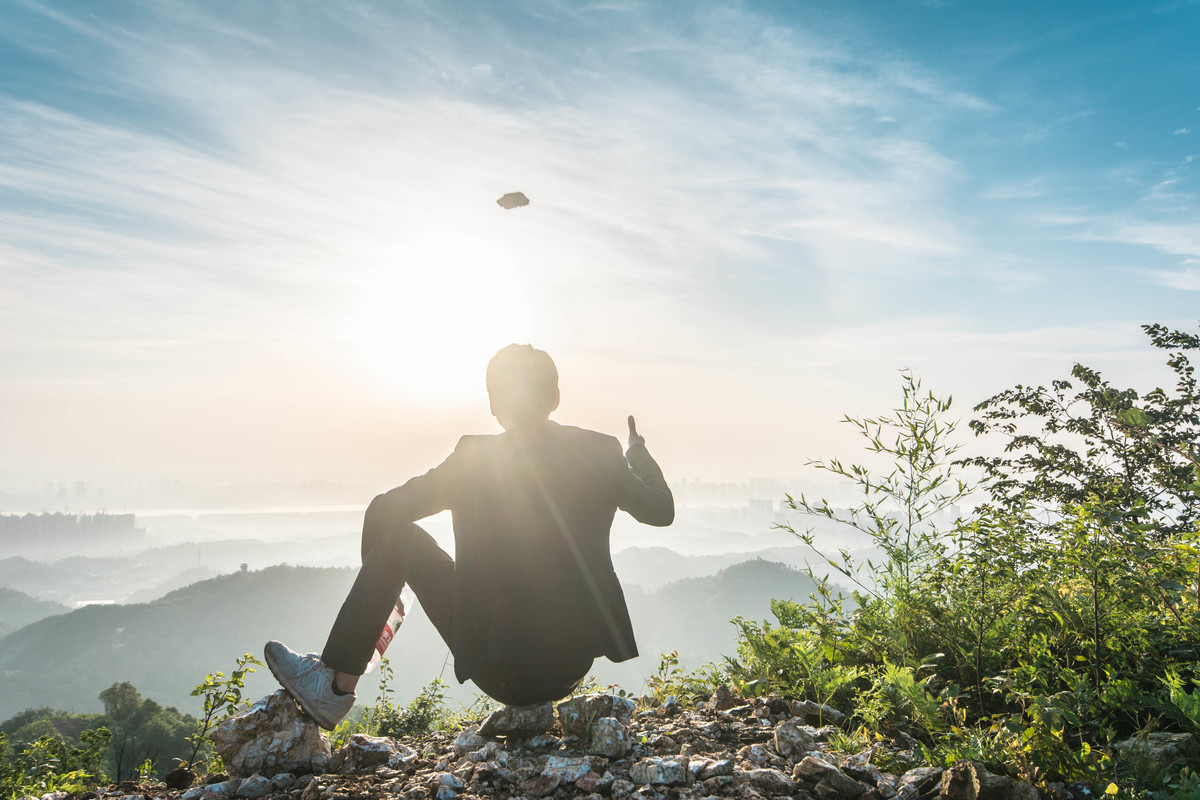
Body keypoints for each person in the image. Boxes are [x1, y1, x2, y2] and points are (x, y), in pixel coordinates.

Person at [264, 344, 674, 729]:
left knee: (399, 540)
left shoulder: (474, 459)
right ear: (556, 397)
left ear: (494, 405)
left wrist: (379, 593)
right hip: (571, 667)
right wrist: (637, 453)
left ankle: (337, 684)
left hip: (498, 673)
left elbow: (384, 511)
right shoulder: (600, 451)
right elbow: (661, 510)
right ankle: (343, 671)